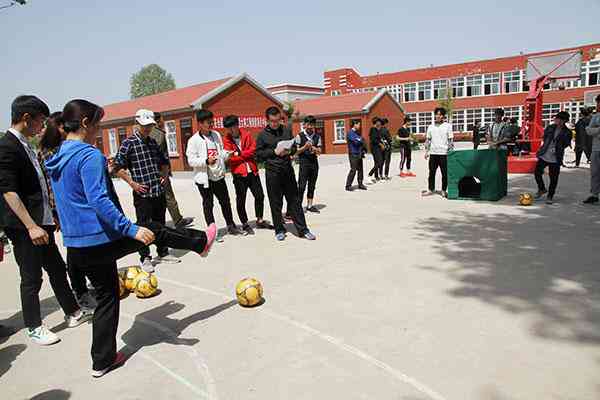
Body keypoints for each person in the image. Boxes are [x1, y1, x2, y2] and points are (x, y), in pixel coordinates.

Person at [45, 99, 217, 378]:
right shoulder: (88, 156)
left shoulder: (57, 155)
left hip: (77, 242)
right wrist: (130, 229)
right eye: (98, 123)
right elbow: (98, 200)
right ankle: (200, 243)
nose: (99, 129)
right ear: (86, 124)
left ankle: (102, 361)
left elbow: (67, 201)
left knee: (107, 297)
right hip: (98, 238)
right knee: (153, 229)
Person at [0, 95, 92, 346]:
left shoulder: (26, 144)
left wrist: (49, 217)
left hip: (42, 222)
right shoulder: (7, 146)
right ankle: (33, 326)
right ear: (26, 117)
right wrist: (30, 226)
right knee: (31, 277)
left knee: (56, 268)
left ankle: (73, 312)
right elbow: (9, 191)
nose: (43, 125)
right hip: (24, 227)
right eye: (41, 120)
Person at [37, 112, 96, 310]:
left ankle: (84, 287)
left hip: (70, 205)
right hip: (62, 207)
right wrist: (55, 213)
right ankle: (80, 290)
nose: (67, 131)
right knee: (74, 249)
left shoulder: (64, 148)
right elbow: (49, 185)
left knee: (79, 248)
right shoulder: (49, 152)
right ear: (57, 128)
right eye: (64, 127)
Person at [113, 109, 181, 272]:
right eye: (144, 125)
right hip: (142, 194)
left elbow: (164, 162)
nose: (147, 128)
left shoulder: (152, 142)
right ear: (136, 124)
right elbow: (117, 167)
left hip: (157, 191)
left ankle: (163, 252)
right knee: (143, 226)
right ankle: (145, 257)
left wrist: (164, 176)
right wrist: (132, 183)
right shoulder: (128, 144)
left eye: (150, 125)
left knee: (160, 223)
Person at [255, 106, 316, 241]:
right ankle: (279, 229)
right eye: (272, 121)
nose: (275, 123)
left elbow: (294, 147)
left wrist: (290, 151)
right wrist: (274, 152)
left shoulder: (286, 131)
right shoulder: (262, 135)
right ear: (267, 120)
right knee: (275, 202)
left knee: (294, 201)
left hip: (287, 171)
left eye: (278, 120)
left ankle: (303, 229)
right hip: (272, 173)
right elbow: (258, 156)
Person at [186, 110, 243, 241]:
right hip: (204, 179)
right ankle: (212, 233)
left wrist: (227, 154)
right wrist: (206, 161)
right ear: (200, 123)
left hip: (218, 176)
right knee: (208, 204)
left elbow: (219, 151)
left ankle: (231, 225)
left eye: (212, 121)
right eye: (208, 122)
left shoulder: (216, 135)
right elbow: (191, 161)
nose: (211, 124)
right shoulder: (194, 140)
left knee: (225, 202)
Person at [222, 114, 273, 235]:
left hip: (252, 171)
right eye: (227, 128)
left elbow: (253, 150)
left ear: (236, 125)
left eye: (231, 127)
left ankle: (259, 220)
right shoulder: (226, 140)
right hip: (239, 174)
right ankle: (245, 223)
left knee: (260, 196)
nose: (229, 130)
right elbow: (229, 160)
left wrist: (238, 155)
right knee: (241, 200)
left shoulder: (247, 134)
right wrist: (241, 155)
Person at [150, 112, 194, 228]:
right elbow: (160, 155)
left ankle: (153, 222)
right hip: (160, 171)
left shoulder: (147, 132)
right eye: (162, 120)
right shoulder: (158, 134)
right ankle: (178, 221)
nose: (163, 122)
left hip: (150, 172)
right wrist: (165, 172)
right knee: (168, 197)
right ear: (158, 121)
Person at [534, 111, 572, 204]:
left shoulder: (567, 132)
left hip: (556, 156)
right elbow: (544, 137)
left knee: (553, 178)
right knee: (537, 172)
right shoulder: (550, 127)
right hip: (545, 153)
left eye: (558, 119)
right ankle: (542, 189)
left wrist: (558, 147)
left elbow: (566, 144)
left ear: (563, 121)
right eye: (556, 118)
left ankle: (550, 196)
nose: (556, 120)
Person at [422, 107, 454, 198]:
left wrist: (450, 151)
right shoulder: (431, 127)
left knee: (445, 173)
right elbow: (428, 140)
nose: (438, 116)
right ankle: (430, 189)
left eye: (440, 114)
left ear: (443, 116)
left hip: (444, 153)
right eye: (436, 114)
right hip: (433, 153)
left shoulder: (447, 126)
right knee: (431, 172)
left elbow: (450, 140)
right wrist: (426, 151)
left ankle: (443, 190)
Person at [294, 115, 322, 213]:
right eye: (308, 124)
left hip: (314, 163)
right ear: (304, 125)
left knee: (312, 185)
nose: (310, 127)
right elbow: (295, 152)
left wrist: (315, 149)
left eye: (312, 125)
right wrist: (305, 147)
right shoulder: (299, 136)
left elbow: (320, 151)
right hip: (304, 163)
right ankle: (298, 206)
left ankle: (310, 206)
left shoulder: (317, 136)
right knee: (301, 186)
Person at [583, 95, 600, 205]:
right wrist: (598, 130)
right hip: (596, 149)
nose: (598, 105)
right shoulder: (596, 116)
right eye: (597, 103)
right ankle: (594, 194)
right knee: (595, 172)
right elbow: (588, 130)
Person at [345, 119, 368, 191]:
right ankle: (348, 186)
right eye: (358, 124)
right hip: (353, 154)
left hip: (359, 153)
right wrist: (361, 140)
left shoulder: (357, 133)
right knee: (353, 170)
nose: (359, 126)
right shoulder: (350, 133)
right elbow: (356, 142)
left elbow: (362, 141)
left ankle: (360, 184)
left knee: (360, 170)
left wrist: (361, 140)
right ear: (354, 124)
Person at [368, 117, 385, 182]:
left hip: (377, 148)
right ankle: (369, 175)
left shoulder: (377, 129)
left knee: (376, 162)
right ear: (376, 122)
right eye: (379, 121)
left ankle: (376, 177)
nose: (380, 123)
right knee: (380, 162)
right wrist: (381, 144)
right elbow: (373, 139)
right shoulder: (373, 129)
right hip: (375, 148)